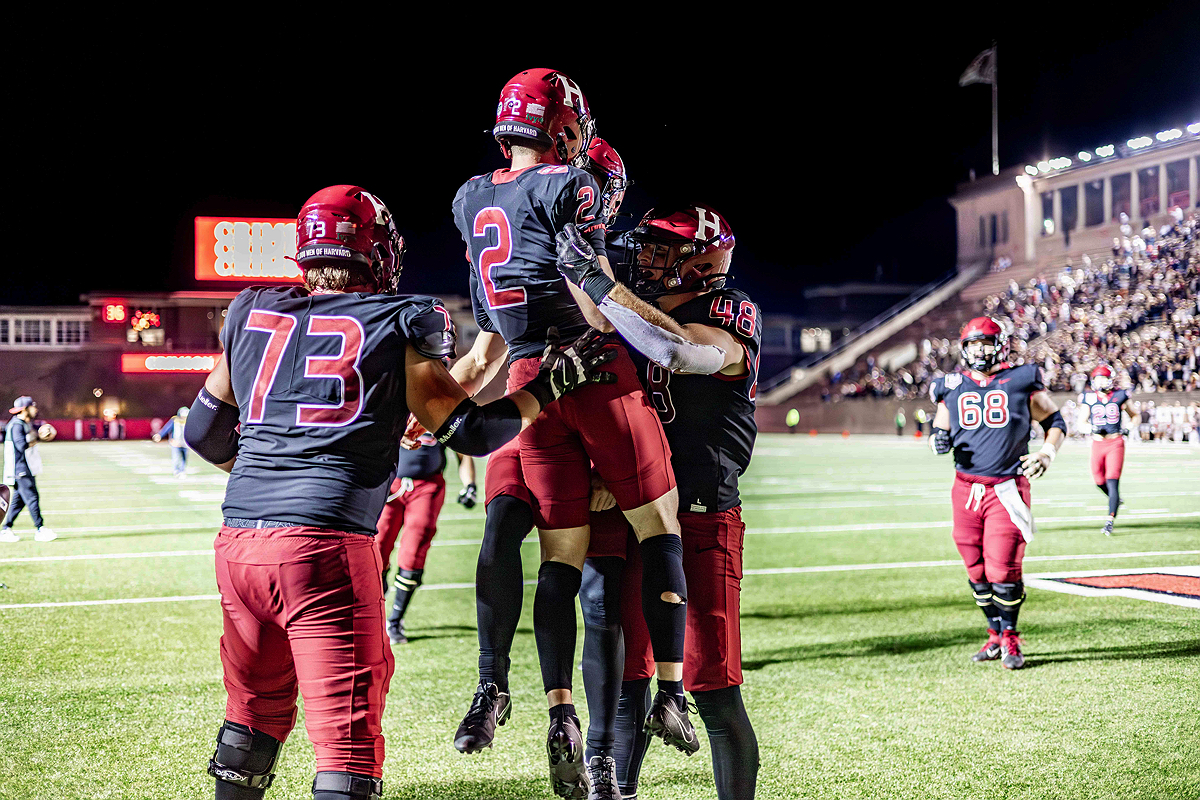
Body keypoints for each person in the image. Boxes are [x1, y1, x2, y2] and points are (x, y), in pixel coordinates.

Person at [185, 184, 612, 800]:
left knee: (250, 718)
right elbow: (469, 430)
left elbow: (202, 431)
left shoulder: (249, 310)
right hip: (325, 549)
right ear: (379, 250)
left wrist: (274, 472)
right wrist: (546, 389)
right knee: (347, 746)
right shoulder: (399, 320)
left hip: (238, 545)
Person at [450, 70, 691, 797]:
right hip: (591, 368)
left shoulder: (472, 197)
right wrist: (664, 335)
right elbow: (594, 302)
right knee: (658, 528)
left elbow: (488, 338)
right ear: (563, 129)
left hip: (527, 380)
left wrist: (431, 401)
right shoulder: (570, 187)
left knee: (544, 547)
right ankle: (672, 695)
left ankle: (504, 689)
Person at [556, 204, 761, 799]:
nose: (644, 258)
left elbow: (679, 351)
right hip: (634, 513)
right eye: (643, 247)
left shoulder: (725, 310)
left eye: (661, 251)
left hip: (699, 515)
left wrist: (601, 284)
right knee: (626, 682)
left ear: (704, 259)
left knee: (714, 689)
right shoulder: (623, 312)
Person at [929, 317, 1066, 670]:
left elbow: (1055, 422)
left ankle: (1010, 635)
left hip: (1005, 487)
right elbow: (940, 428)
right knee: (975, 570)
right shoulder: (951, 384)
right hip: (965, 488)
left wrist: (1046, 454)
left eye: (985, 343)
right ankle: (993, 634)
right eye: (973, 344)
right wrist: (937, 439)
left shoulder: (1021, 379)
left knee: (1003, 569)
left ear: (1000, 344)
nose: (979, 350)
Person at [377, 430, 476, 645]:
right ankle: (376, 609)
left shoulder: (440, 404)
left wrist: (469, 484)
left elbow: (462, 451)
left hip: (427, 486)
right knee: (376, 548)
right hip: (390, 483)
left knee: (413, 553)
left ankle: (395, 620)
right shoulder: (393, 401)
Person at [1078, 365, 1131, 535]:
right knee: (1098, 480)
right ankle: (1115, 501)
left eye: (1103, 378)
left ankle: (1110, 520)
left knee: (1112, 480)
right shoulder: (1089, 397)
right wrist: (1091, 429)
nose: (1100, 381)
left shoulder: (1119, 395)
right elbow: (1081, 423)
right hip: (1097, 443)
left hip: (1115, 442)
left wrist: (1128, 426)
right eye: (1097, 378)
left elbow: (1135, 415)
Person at [2, 396, 55, 542]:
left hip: (24, 468)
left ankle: (6, 529)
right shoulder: (16, 425)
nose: (35, 409)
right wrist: (38, 436)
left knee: (19, 501)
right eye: (33, 406)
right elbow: (21, 445)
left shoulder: (24, 423)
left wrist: (40, 432)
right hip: (19, 468)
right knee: (32, 497)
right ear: (25, 409)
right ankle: (40, 529)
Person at [153, 407, 190, 478]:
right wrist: (160, 435)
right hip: (176, 442)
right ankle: (176, 470)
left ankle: (182, 471)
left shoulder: (189, 422)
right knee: (176, 457)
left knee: (184, 458)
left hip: (185, 443)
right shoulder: (175, 420)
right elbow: (167, 428)